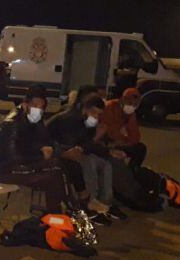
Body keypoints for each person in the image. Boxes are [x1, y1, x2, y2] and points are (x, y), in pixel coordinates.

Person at [47, 94, 129, 222]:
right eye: (93, 112)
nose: (96, 116)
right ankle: (89, 204)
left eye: (98, 114)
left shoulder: (87, 121)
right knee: (89, 163)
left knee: (105, 164)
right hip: (59, 153)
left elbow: (87, 144)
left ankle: (105, 204)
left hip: (74, 151)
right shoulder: (70, 119)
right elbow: (74, 146)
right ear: (85, 108)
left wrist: (108, 151)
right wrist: (98, 142)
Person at [0, 88, 70, 212]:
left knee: (60, 166)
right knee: (52, 177)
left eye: (42, 107)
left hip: (23, 164)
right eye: (35, 105)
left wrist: (49, 150)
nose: (39, 110)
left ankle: (64, 211)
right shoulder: (12, 124)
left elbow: (45, 140)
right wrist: (40, 155)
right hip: (6, 169)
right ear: (25, 105)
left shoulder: (34, 120)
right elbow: (13, 157)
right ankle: (56, 215)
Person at [99, 86, 147, 169]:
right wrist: (121, 141)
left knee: (140, 148)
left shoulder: (130, 113)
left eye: (135, 104)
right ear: (123, 99)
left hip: (117, 141)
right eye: (129, 102)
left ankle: (132, 172)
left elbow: (135, 136)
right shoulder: (109, 107)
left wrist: (126, 142)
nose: (132, 106)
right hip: (102, 140)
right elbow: (110, 131)